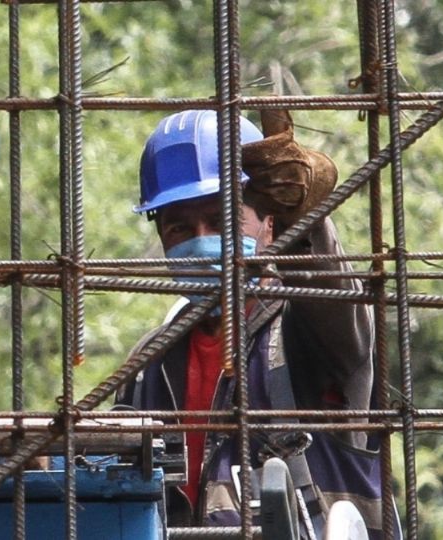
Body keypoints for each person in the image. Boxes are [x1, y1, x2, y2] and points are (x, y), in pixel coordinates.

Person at [115, 109, 394, 538]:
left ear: (269, 223)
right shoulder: (149, 363)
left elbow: (332, 293)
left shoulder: (310, 331)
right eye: (179, 228)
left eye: (222, 220)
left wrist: (305, 221)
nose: (201, 239)